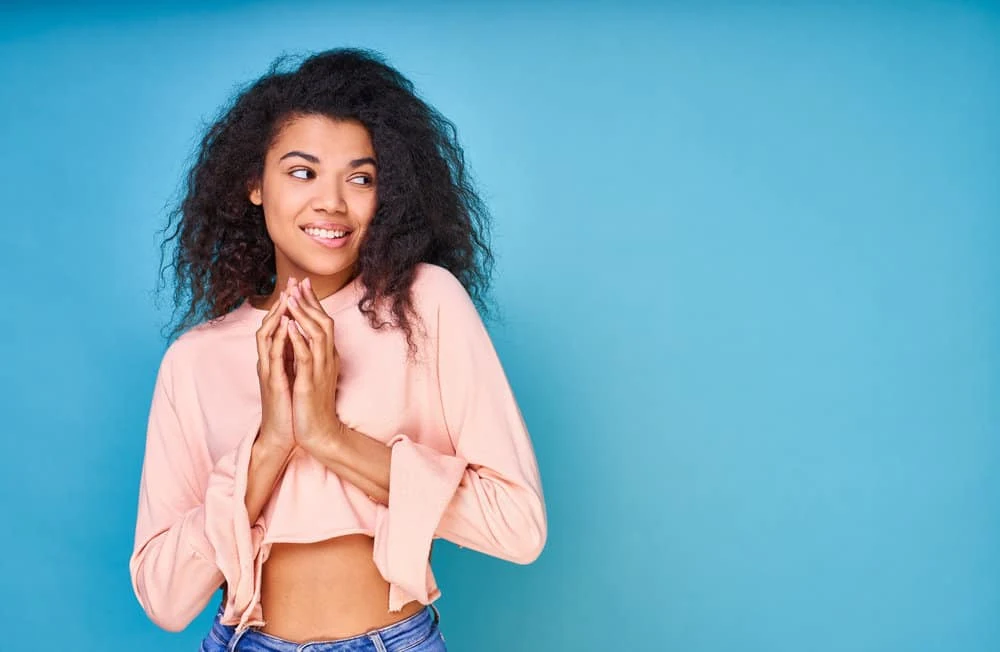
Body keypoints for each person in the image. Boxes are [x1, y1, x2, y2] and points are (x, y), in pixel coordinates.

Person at [128, 47, 547, 652]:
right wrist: (273, 443)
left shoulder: (424, 305)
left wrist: (329, 437)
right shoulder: (194, 361)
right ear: (253, 184)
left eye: (361, 178)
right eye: (302, 172)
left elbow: (518, 527)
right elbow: (165, 600)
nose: (332, 201)